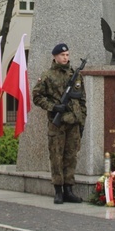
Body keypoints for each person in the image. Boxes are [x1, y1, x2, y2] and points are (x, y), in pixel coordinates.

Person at [32, 43, 87, 205]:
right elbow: (37, 97)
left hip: (74, 122)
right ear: (55, 56)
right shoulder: (47, 76)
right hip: (57, 124)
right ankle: (58, 190)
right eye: (63, 55)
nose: (66, 58)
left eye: (67, 55)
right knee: (56, 156)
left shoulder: (75, 75)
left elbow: (82, 99)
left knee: (71, 157)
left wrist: (82, 119)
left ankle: (69, 189)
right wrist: (54, 107)